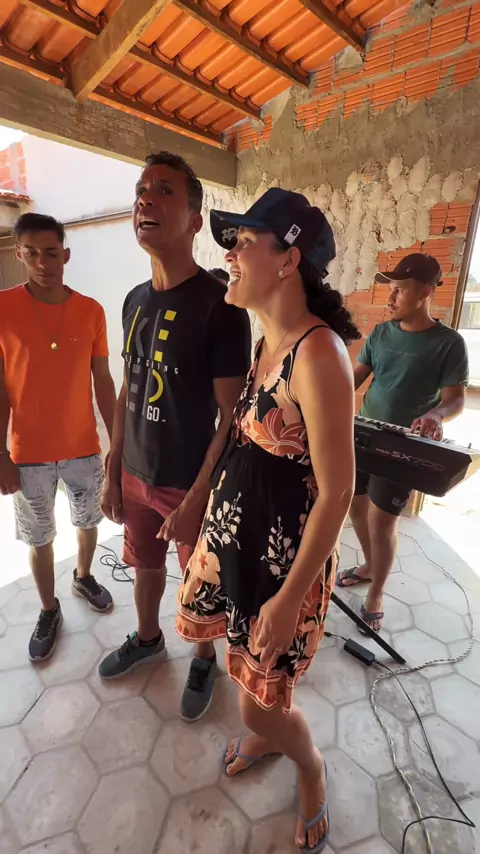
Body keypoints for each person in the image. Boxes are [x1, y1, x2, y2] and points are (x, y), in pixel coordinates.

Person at [176, 188, 359, 852]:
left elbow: (338, 492)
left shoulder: (319, 354)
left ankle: (309, 767)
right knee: (248, 680)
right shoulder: (269, 341)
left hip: (284, 565)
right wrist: (201, 510)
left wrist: (287, 599)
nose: (230, 254)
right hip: (238, 541)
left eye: (244, 242)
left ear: (288, 260)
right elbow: (248, 444)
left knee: (258, 700)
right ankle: (268, 733)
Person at [99, 152, 251, 722]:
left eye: (163, 190)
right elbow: (128, 387)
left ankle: (204, 658)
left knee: (199, 578)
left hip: (190, 482)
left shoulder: (221, 308)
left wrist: (198, 496)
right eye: (141, 190)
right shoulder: (134, 300)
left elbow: (233, 416)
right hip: (135, 473)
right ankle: (147, 639)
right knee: (143, 563)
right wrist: (115, 465)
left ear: (193, 220)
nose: (145, 199)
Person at [0, 212, 116, 662]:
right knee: (39, 537)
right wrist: (1, 453)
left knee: (88, 522)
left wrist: (117, 444)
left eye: (51, 253)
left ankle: (83, 577)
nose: (42, 263)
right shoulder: (4, 308)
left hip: (83, 447)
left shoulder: (91, 311)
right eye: (31, 253)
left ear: (65, 255)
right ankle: (49, 609)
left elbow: (103, 380)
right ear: (18, 254)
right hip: (26, 453)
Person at [336, 253, 468, 631]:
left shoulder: (449, 344)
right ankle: (369, 565)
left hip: (402, 446)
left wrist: (436, 416)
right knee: (356, 505)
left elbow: (455, 399)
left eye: (400, 290)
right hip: (364, 436)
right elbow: (354, 379)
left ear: (425, 292)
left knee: (382, 520)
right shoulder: (381, 333)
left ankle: (376, 593)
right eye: (390, 289)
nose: (391, 298)